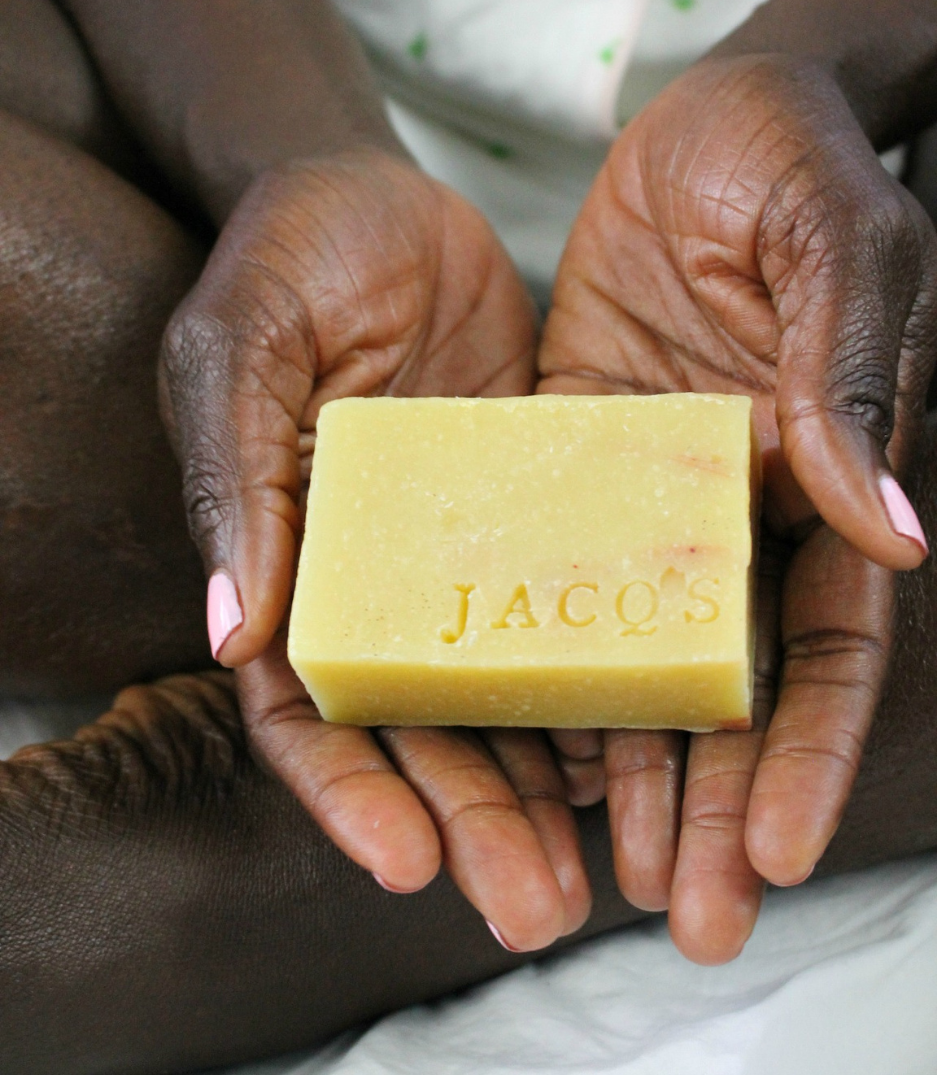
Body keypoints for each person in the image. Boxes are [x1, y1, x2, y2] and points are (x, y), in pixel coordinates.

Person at [1, 1, 937, 1071]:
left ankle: (287, 855)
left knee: (850, 481)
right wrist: (303, 154)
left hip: (800, 256)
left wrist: (808, 69)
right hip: (242, 109)